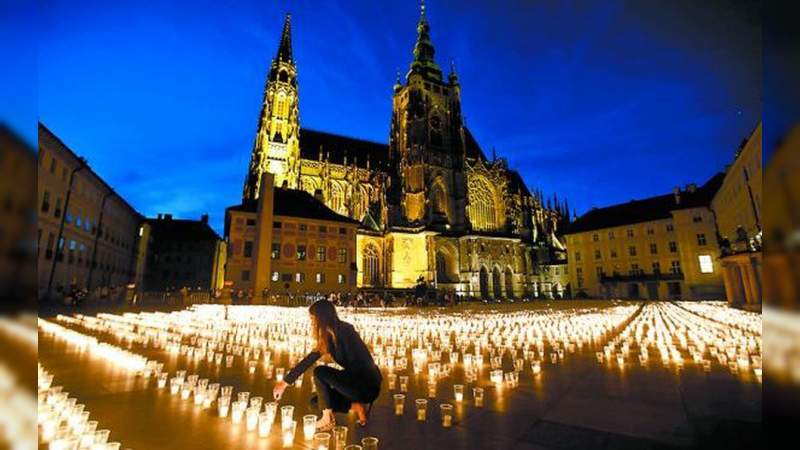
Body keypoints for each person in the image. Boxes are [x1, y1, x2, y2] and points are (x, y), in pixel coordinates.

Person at [272, 300, 382, 431]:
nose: (312, 323)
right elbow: (309, 359)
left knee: (320, 372)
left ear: (321, 318)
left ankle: (327, 419)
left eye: (313, 319)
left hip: (366, 385)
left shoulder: (345, 331)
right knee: (316, 402)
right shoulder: (329, 336)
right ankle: (357, 407)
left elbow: (360, 364)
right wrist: (284, 384)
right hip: (354, 383)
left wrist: (337, 382)